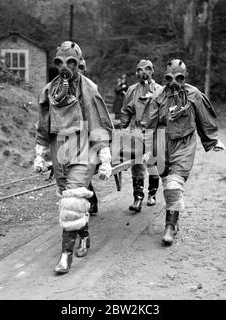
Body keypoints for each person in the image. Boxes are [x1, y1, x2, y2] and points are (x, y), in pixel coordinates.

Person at [35, 41, 114, 274]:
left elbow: (98, 121)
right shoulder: (49, 91)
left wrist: (104, 155)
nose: (65, 67)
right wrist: (41, 154)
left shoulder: (88, 87)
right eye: (60, 62)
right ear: (56, 63)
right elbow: (43, 125)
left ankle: (65, 256)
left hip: (83, 147)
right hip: (59, 147)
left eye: (71, 62)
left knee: (71, 201)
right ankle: (85, 235)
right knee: (68, 200)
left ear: (79, 63)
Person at [143, 59, 226, 245]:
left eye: (179, 78)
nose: (174, 83)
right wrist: (148, 149)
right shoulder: (158, 96)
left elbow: (205, 118)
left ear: (184, 77)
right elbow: (149, 124)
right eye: (169, 78)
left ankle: (169, 227)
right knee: (167, 182)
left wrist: (212, 140)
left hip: (184, 143)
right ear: (165, 78)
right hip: (162, 142)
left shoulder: (194, 94)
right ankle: (175, 217)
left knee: (174, 184)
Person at [119, 59, 162, 212]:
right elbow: (125, 110)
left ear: (153, 71)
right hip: (136, 131)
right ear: (136, 72)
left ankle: (152, 193)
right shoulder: (131, 90)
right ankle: (138, 198)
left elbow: (165, 112)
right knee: (137, 165)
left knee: (153, 164)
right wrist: (122, 127)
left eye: (148, 69)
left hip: (154, 132)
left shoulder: (160, 90)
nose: (144, 72)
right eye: (140, 69)